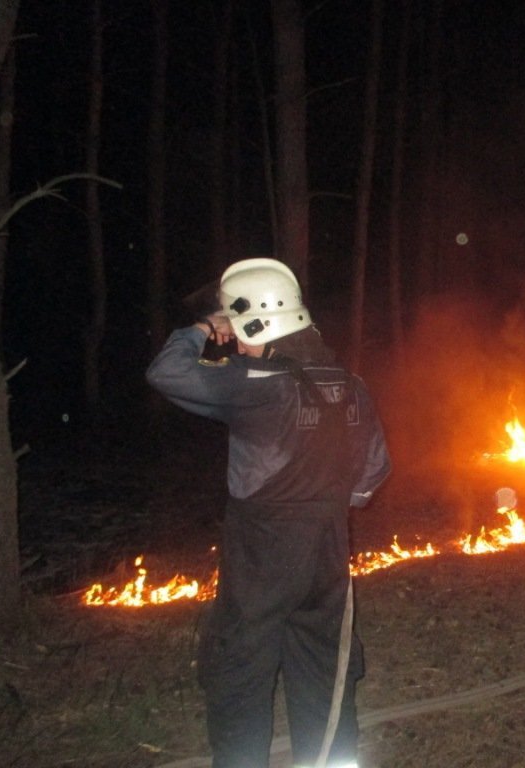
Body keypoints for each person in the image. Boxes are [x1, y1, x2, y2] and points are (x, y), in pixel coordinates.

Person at [146, 257, 391, 768]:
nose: (235, 343)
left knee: (239, 670)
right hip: (327, 555)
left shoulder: (253, 384)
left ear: (260, 323)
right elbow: (373, 472)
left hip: (261, 559)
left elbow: (166, 372)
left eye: (238, 330)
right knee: (325, 671)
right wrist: (326, 505)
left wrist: (202, 327)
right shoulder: (351, 383)